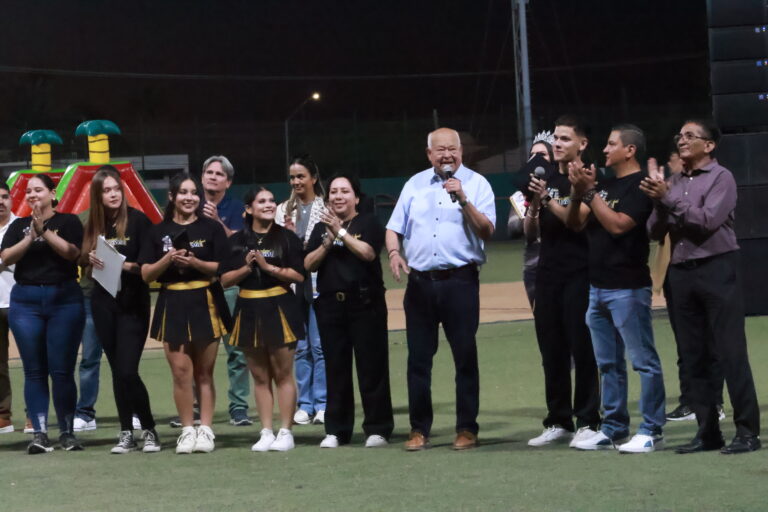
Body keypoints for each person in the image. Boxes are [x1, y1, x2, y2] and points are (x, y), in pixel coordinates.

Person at [641, 119, 761, 454]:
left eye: (690, 136)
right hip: (681, 273)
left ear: (709, 145)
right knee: (692, 356)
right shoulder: (674, 181)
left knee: (729, 352)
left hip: (717, 267)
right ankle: (707, 433)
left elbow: (707, 221)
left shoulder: (722, 178)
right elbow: (653, 231)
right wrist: (659, 200)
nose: (682, 140)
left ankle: (747, 433)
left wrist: (670, 200)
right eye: (680, 135)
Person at [386, 127, 495, 451]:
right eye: (440, 150)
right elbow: (394, 227)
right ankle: (419, 429)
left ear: (461, 152)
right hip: (419, 285)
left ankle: (466, 428)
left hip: (460, 282)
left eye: (452, 149)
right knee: (418, 360)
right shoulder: (414, 185)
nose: (447, 155)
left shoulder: (477, 184)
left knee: (465, 356)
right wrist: (394, 253)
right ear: (429, 154)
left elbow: (487, 229)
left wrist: (463, 199)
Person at [566, 124, 665, 453]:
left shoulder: (641, 186)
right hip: (598, 289)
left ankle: (651, 428)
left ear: (630, 150)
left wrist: (590, 192)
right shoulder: (604, 186)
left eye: (611, 144)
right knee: (607, 364)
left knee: (643, 362)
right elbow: (575, 222)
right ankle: (613, 427)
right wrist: (579, 190)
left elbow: (619, 225)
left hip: (628, 288)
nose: (605, 150)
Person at [139, 172, 232, 454]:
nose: (189, 198)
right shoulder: (157, 232)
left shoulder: (212, 229)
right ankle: (187, 430)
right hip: (172, 302)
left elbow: (222, 268)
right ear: (172, 197)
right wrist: (168, 257)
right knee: (181, 372)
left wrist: (195, 261)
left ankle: (206, 429)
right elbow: (145, 274)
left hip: (206, 299)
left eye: (194, 193)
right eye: (183, 193)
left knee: (204, 372)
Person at [524, 117, 601, 448]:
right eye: (555, 137)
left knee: (581, 347)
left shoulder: (588, 176)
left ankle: (588, 420)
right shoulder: (548, 177)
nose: (556, 143)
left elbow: (578, 222)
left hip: (580, 271)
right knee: (551, 348)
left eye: (564, 138)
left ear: (581, 144)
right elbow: (531, 234)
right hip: (548, 272)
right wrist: (534, 208)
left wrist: (549, 200)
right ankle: (558, 420)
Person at [306, 174, 393, 448]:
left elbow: (367, 253)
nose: (338, 196)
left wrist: (341, 232)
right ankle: (337, 430)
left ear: (356, 197)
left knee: (372, 367)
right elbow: (308, 264)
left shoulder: (368, 222)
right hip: (331, 305)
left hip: (365, 304)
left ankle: (377, 429)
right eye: (333, 191)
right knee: (336, 368)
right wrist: (328, 240)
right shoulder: (321, 228)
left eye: (345, 191)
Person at [0, 174, 86, 453]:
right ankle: (39, 433)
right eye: (28, 191)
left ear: (52, 193)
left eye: (38, 190)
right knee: (34, 370)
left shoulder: (69, 222)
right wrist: (31, 235)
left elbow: (73, 254)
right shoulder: (19, 226)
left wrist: (45, 231)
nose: (32, 195)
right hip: (26, 302)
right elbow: (6, 258)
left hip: (64, 300)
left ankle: (67, 432)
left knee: (61, 370)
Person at [81, 166, 160, 453]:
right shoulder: (94, 224)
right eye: (107, 190)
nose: (113, 194)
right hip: (102, 303)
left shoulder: (139, 222)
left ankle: (149, 428)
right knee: (116, 370)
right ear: (98, 196)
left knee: (128, 370)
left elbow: (147, 266)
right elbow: (81, 258)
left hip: (133, 303)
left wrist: (120, 263)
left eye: (116, 188)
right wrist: (90, 258)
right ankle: (126, 431)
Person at [220, 187, 305, 452]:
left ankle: (286, 431)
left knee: (282, 373)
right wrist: (246, 267)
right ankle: (266, 431)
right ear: (249, 209)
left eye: (271, 200)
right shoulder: (236, 241)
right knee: (259, 376)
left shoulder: (287, 238)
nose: (269, 205)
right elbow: (224, 280)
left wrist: (269, 268)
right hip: (248, 308)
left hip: (280, 305)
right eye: (262, 201)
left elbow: (300, 276)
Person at [276, 155, 327, 425]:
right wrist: (287, 236)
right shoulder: (283, 210)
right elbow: (276, 249)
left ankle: (323, 402)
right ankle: (304, 404)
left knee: (320, 347)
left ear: (313, 178)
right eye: (292, 177)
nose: (296, 181)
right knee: (301, 347)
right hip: (294, 285)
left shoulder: (326, 206)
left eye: (301, 176)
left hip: (320, 283)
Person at [200, 155, 252, 427]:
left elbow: (241, 244)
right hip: (199, 287)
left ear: (228, 182)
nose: (213, 177)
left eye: (219, 174)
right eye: (209, 172)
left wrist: (218, 222)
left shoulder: (237, 209)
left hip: (230, 286)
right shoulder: (190, 204)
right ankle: (198, 406)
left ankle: (239, 407)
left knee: (237, 352)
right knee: (198, 350)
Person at [508, 133, 554, 307]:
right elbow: (513, 229)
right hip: (534, 267)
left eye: (542, 155)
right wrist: (529, 200)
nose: (536, 159)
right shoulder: (521, 195)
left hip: (563, 265)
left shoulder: (565, 189)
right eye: (532, 155)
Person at [0, 183, 16, 434]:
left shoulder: (22, 227)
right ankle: (3, 415)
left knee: (35, 361)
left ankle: (35, 416)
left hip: (20, 302)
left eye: (4, 197)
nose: (1, 202)